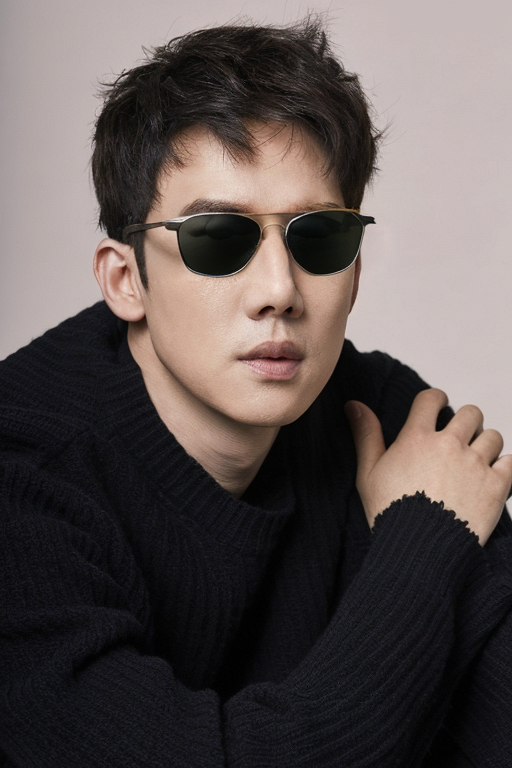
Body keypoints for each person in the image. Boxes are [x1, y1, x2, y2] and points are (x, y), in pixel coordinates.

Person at [0, 18, 511, 768]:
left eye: (319, 237)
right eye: (217, 237)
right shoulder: (22, 477)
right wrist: (424, 540)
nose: (279, 290)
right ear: (126, 278)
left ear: (355, 273)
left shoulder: (385, 419)